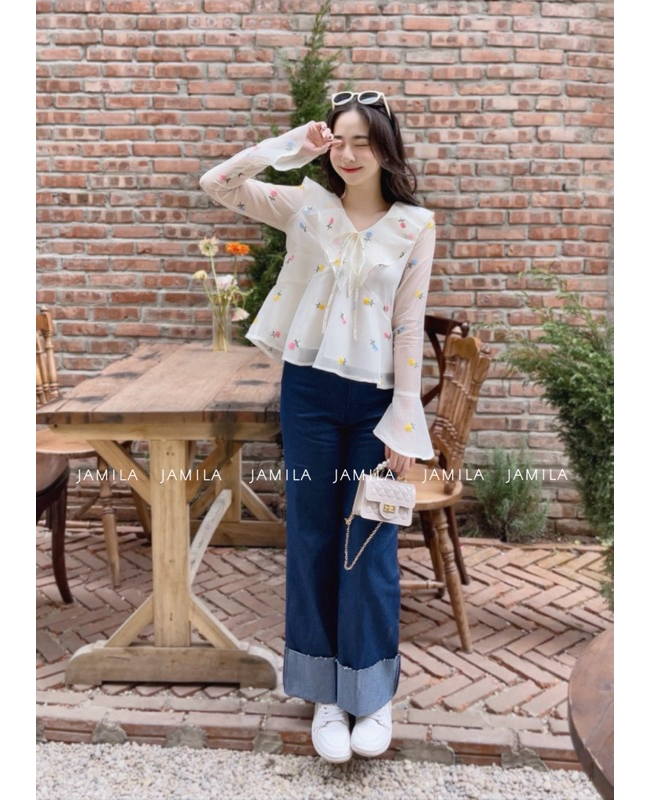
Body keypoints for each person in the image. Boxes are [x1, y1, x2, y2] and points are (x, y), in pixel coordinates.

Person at [200, 90, 436, 763]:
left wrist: (405, 421)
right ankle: (325, 693)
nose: (350, 153)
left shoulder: (415, 226)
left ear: (386, 147)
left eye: (364, 140)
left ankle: (371, 692)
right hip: (308, 392)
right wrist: (290, 148)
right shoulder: (306, 205)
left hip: (376, 403)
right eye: (340, 140)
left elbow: (408, 326)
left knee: (369, 540)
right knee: (310, 535)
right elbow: (218, 183)